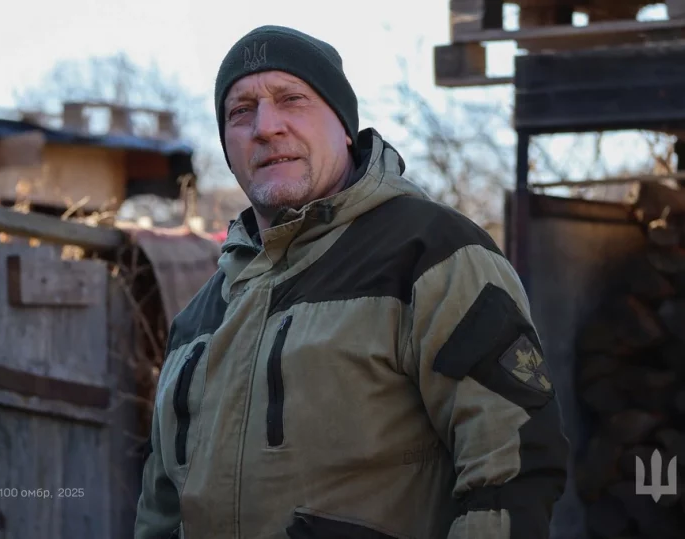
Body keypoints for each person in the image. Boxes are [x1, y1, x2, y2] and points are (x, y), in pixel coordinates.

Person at [135, 24, 569, 539]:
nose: (265, 127)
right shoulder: (201, 315)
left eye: (292, 99)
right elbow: (159, 512)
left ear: (344, 126)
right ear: (228, 150)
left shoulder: (431, 254)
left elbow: (510, 465)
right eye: (241, 111)